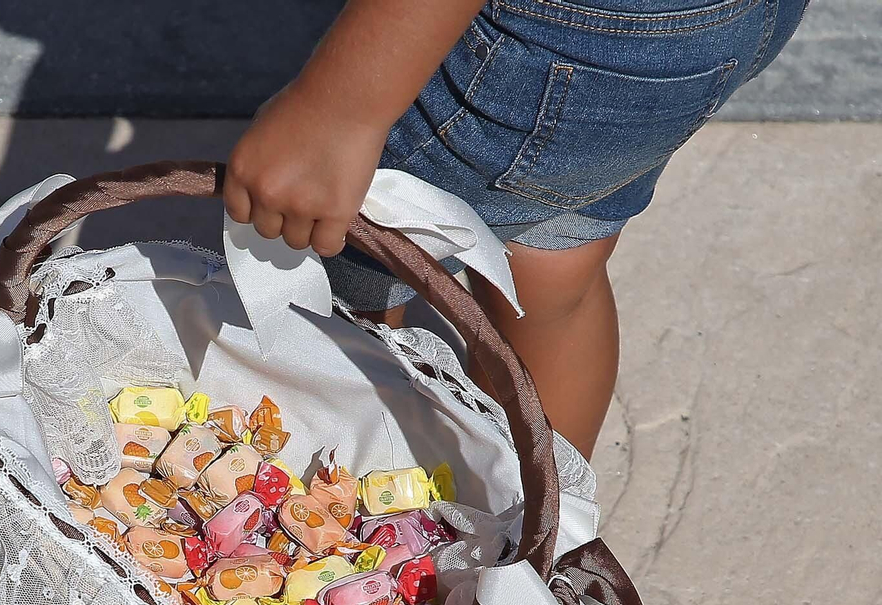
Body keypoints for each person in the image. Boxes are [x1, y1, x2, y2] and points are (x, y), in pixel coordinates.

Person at [225, 0, 808, 459]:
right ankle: (535, 530)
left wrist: (336, 111)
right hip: (712, 25)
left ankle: (322, 502)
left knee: (336, 267)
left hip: (557, 33)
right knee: (555, 270)